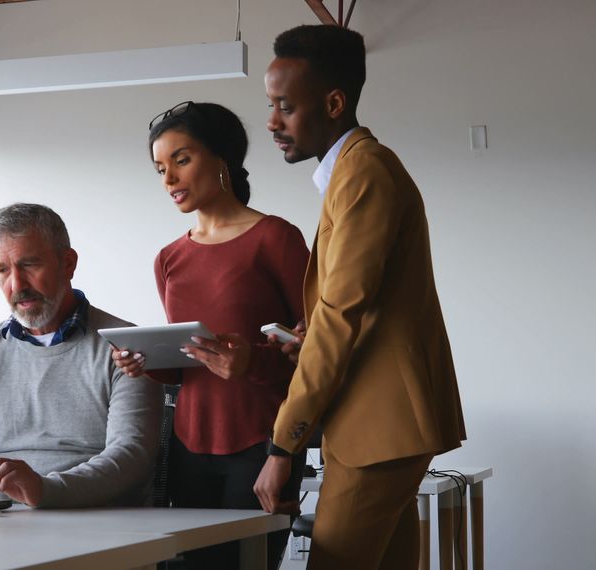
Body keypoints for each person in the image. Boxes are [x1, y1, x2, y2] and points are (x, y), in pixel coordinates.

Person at [253, 25, 468, 570]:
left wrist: (284, 446)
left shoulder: (364, 172)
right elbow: (359, 310)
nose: (272, 122)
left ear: (333, 102)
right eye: (271, 105)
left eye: (285, 106)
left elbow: (339, 316)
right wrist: (308, 344)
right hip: (384, 425)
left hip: (379, 428)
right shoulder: (354, 173)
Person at [112, 101, 310, 569]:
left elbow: (318, 351)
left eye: (181, 160)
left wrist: (252, 362)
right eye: (161, 168)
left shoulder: (275, 238)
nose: (169, 179)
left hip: (264, 444)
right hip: (188, 448)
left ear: (222, 158)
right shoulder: (168, 259)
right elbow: (189, 366)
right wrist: (147, 366)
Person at [0, 203, 162, 508]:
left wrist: (44, 489)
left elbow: (130, 458)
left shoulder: (125, 346)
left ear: (67, 263)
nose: (16, 285)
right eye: (2, 270)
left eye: (29, 265)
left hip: (101, 526)